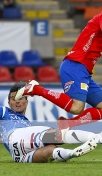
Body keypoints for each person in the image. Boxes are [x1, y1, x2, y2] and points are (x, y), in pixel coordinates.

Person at [0, 84, 100, 163]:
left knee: (49, 151)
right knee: (58, 134)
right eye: (13, 99)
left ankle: (73, 153)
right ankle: (97, 137)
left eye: (20, 98)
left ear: (26, 100)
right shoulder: (2, 112)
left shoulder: (26, 123)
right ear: (9, 102)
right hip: (16, 138)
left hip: (18, 156)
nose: (17, 102)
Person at [15, 12, 102, 141]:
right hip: (76, 65)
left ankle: (68, 124)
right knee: (77, 107)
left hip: (83, 70)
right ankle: (36, 89)